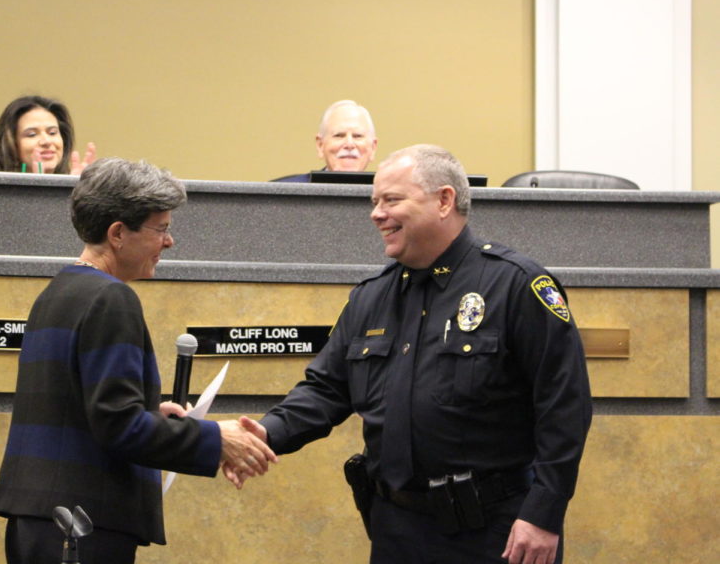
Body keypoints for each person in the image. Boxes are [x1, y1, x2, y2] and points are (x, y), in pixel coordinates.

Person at [235, 144, 592, 563]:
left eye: (392, 200)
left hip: (497, 530)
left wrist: (544, 513)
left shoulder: (515, 285)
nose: (376, 213)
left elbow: (563, 406)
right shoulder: (371, 297)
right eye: (374, 202)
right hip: (397, 530)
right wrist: (266, 432)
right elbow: (326, 389)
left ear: (444, 200)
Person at [0, 157, 277, 564]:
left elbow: (74, 406)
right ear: (118, 233)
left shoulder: (59, 291)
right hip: (81, 526)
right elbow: (118, 425)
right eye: (161, 229)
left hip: (42, 520)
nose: (169, 242)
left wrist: (151, 412)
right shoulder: (111, 298)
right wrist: (217, 439)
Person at [0, 95, 97, 174]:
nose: (46, 141)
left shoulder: (73, 190)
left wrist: (80, 195)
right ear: (11, 143)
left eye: (52, 133)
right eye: (32, 134)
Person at [273, 99, 378, 182]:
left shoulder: (390, 198)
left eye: (357, 136)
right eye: (339, 135)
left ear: (373, 148)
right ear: (320, 145)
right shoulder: (282, 194)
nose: (349, 144)